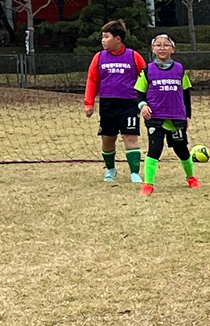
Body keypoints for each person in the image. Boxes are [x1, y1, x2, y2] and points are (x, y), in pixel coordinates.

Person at [135, 34, 199, 196]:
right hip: (155, 117)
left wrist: (187, 115)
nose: (162, 48)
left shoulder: (179, 69)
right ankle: (148, 184)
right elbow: (139, 94)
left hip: (176, 117)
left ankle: (191, 177)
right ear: (153, 49)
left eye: (166, 45)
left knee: (181, 149)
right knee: (154, 149)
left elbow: (186, 94)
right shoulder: (147, 70)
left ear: (173, 49)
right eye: (158, 45)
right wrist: (143, 106)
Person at [84, 20, 146, 183]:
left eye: (106, 37)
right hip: (108, 104)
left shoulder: (133, 56)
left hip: (129, 103)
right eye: (102, 37)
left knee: (130, 136)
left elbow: (146, 79)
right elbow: (92, 80)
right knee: (108, 138)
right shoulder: (99, 57)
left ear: (118, 39)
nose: (103, 40)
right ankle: (110, 169)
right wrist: (89, 103)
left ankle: (134, 173)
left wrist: (147, 101)